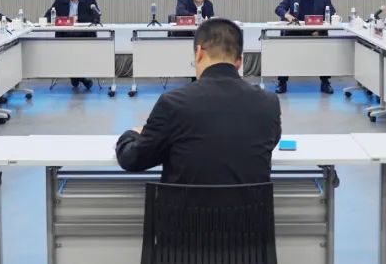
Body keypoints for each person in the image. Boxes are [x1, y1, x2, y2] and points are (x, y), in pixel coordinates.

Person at [116, 18, 281, 184]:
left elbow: (133, 160)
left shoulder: (173, 104)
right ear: (240, 62)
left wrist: (131, 134)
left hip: (181, 202)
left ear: (199, 52)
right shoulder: (269, 103)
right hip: (251, 202)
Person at [273, 0, 336, 94]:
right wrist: (287, 15)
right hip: (294, 32)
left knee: (324, 51)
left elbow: (331, 12)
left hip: (315, 32)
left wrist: (319, 29)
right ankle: (282, 82)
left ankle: (325, 82)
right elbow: (279, 8)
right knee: (284, 51)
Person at [46, 0, 101, 90]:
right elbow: (47, 17)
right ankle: (80, 78)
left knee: (77, 53)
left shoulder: (89, 0)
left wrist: (77, 19)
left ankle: (75, 77)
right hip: (65, 37)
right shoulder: (60, 1)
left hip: (85, 37)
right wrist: (63, 20)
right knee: (67, 52)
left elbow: (96, 18)